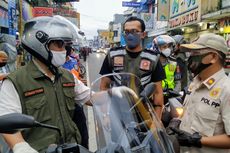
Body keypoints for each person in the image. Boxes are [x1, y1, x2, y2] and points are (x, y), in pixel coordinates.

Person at [0, 16, 91, 153]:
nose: (64, 50)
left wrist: (113, 94)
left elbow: (89, 97)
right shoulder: (16, 81)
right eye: (59, 44)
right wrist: (21, 148)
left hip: (71, 148)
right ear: (40, 44)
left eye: (65, 46)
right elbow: (8, 125)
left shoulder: (67, 76)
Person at [170, 33, 230, 153]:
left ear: (213, 56)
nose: (190, 57)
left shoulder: (226, 90)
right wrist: (178, 121)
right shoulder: (195, 83)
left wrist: (196, 140)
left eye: (195, 53)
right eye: (190, 53)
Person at [99, 16, 165, 119]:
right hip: (117, 117)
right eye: (127, 32)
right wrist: (105, 115)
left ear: (143, 34)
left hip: (143, 117)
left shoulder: (153, 58)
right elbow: (104, 87)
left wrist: (156, 123)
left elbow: (158, 93)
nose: (130, 35)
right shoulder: (113, 55)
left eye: (134, 31)